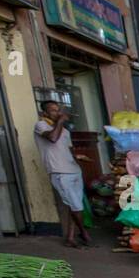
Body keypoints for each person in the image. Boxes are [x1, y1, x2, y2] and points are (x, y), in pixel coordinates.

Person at [35, 100, 91, 247]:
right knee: (76, 206)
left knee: (74, 205)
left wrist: (78, 157)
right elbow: (53, 138)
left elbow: (68, 150)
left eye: (58, 110)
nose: (57, 113)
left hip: (73, 170)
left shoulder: (65, 131)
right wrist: (60, 121)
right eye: (53, 111)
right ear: (44, 113)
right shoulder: (41, 125)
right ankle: (85, 234)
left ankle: (70, 238)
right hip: (59, 172)